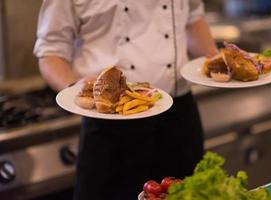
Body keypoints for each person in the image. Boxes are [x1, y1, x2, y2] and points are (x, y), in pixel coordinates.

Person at [34, 1, 218, 199]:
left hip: (179, 117)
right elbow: (50, 51)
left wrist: (216, 58)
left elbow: (193, 20)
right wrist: (75, 87)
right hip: (110, 124)